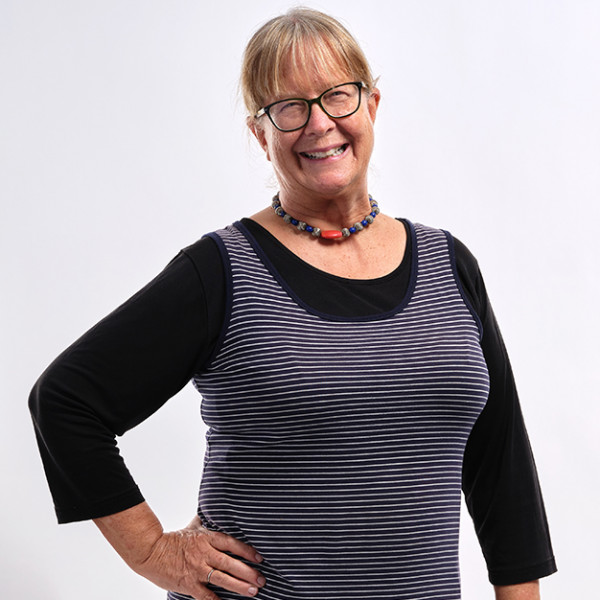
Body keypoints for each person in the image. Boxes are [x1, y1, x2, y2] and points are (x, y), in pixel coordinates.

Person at [29, 8, 557, 600]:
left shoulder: (448, 264)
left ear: (372, 105)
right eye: (289, 107)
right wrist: (152, 552)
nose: (319, 123)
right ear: (262, 134)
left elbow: (499, 461)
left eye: (338, 96)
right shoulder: (222, 271)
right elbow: (66, 402)